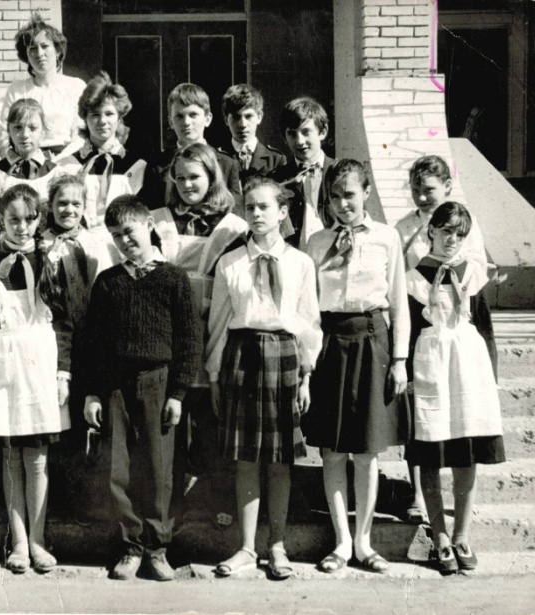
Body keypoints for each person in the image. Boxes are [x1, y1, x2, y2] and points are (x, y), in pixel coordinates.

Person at [206, 176, 321, 579]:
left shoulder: (300, 263)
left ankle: (277, 545)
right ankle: (245, 547)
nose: (255, 214)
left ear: (282, 212)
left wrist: (306, 375)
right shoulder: (230, 263)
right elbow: (218, 324)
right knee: (245, 459)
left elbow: (308, 321)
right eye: (249, 207)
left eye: (264, 207)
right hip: (241, 356)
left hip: (284, 357)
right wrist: (215, 375)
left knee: (280, 459)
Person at [82, 195, 202, 581]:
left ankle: (157, 547)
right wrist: (93, 393)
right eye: (116, 236)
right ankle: (130, 546)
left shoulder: (174, 279)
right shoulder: (108, 282)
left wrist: (178, 393)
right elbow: (93, 343)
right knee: (117, 468)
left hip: (158, 383)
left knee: (160, 467)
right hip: (115, 385)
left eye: (129, 231)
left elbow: (189, 341)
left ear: (149, 224)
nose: (124, 241)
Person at [304, 159, 410, 574]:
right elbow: (307, 306)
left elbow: (398, 302)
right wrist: (308, 364)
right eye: (334, 196)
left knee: (366, 451)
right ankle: (341, 542)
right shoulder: (316, 242)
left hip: (372, 341)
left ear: (366, 193)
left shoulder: (387, 238)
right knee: (331, 452)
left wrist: (399, 359)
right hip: (330, 343)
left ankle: (364, 543)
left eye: (349, 194)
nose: (342, 204)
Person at [405, 202, 505, 574]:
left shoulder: (473, 274)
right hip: (430, 364)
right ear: (431, 230)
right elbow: (409, 331)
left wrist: (490, 375)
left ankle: (462, 535)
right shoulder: (414, 278)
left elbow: (484, 327)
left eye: (460, 234)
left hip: (468, 367)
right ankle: (440, 537)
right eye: (446, 231)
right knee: (430, 453)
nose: (452, 240)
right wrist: (408, 379)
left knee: (467, 452)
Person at [0, 183, 70, 573]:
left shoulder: (52, 259)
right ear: (1, 219)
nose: (22, 226)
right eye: (13, 219)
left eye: (30, 219)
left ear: (39, 220)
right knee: (11, 453)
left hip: (41, 358)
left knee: (37, 454)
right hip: (3, 358)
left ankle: (37, 540)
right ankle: (16, 542)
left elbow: (64, 321)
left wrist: (63, 372)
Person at [152, 142, 249, 520]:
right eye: (179, 178)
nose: (187, 185)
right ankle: (170, 509)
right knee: (171, 422)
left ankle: (217, 504)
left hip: (215, 327)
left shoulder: (233, 227)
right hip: (170, 330)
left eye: (194, 177)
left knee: (212, 420)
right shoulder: (159, 221)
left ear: (212, 177)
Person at [395, 154, 493, 525]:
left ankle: (460, 501)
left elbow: (475, 269)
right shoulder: (405, 227)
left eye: (429, 189)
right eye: (415, 189)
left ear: (447, 187)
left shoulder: (464, 222)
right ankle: (418, 494)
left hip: (458, 323)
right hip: (422, 323)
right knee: (422, 417)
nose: (421, 196)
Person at [38, 174, 112, 516]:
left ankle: (84, 499)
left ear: (85, 207)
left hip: (87, 341)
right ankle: (54, 500)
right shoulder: (41, 244)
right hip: (50, 341)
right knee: (55, 421)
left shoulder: (95, 243)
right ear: (50, 206)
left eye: (75, 204)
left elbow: (104, 290)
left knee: (85, 420)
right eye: (62, 203)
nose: (69, 209)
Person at [267, 97, 384, 250]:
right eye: (292, 134)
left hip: (334, 255)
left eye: (306, 132)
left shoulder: (344, 174)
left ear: (322, 132)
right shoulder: (276, 179)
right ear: (284, 136)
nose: (300, 141)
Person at [0, 98, 70, 241]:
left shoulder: (56, 175)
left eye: (33, 128)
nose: (25, 135)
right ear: (8, 130)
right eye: (18, 127)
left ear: (43, 131)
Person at [0, 12, 87, 161]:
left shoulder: (75, 87)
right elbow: (4, 140)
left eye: (45, 46)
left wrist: (55, 164)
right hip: (25, 162)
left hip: (67, 162)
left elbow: (81, 137)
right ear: (26, 55)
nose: (39, 53)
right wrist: (23, 164)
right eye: (32, 48)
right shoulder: (16, 90)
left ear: (58, 51)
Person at [144, 83, 242, 212]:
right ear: (171, 122)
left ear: (208, 119)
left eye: (193, 115)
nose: (186, 122)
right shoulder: (158, 166)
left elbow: (236, 213)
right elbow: (152, 211)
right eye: (179, 116)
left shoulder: (227, 163)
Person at [69, 72, 148, 232]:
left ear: (119, 118)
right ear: (85, 119)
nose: (102, 121)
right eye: (95, 115)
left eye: (109, 114)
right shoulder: (70, 165)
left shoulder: (138, 165)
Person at [217, 84, 287, 183]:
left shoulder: (275, 159)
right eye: (236, 117)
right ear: (226, 120)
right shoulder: (216, 158)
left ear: (259, 117)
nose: (242, 124)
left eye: (248, 116)